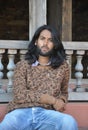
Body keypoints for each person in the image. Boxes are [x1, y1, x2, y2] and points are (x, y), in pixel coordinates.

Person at [0, 25, 78, 130]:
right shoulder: (22, 65)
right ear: (36, 41)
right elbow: (20, 94)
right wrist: (52, 101)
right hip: (20, 112)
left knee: (69, 122)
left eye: (50, 40)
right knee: (6, 125)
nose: (45, 43)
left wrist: (62, 101)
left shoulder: (63, 67)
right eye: (42, 39)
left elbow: (64, 92)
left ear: (55, 44)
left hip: (47, 114)